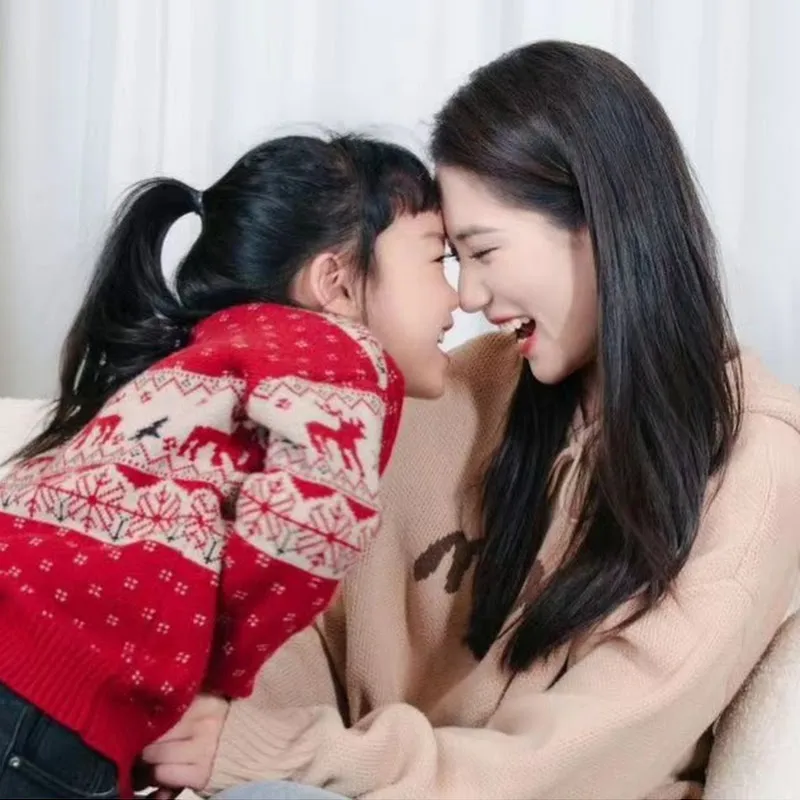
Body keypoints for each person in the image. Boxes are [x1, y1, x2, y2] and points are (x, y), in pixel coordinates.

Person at [141, 41, 800, 800]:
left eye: (484, 251)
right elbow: (306, 615)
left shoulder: (755, 461)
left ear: (601, 224)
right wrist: (233, 737)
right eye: (454, 258)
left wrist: (300, 755)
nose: (471, 297)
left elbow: (577, 762)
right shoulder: (463, 388)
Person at [0, 133, 457, 799]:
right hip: (46, 708)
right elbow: (307, 528)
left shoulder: (204, 357)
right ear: (335, 282)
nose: (458, 299)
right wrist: (220, 688)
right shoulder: (341, 353)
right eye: (438, 259)